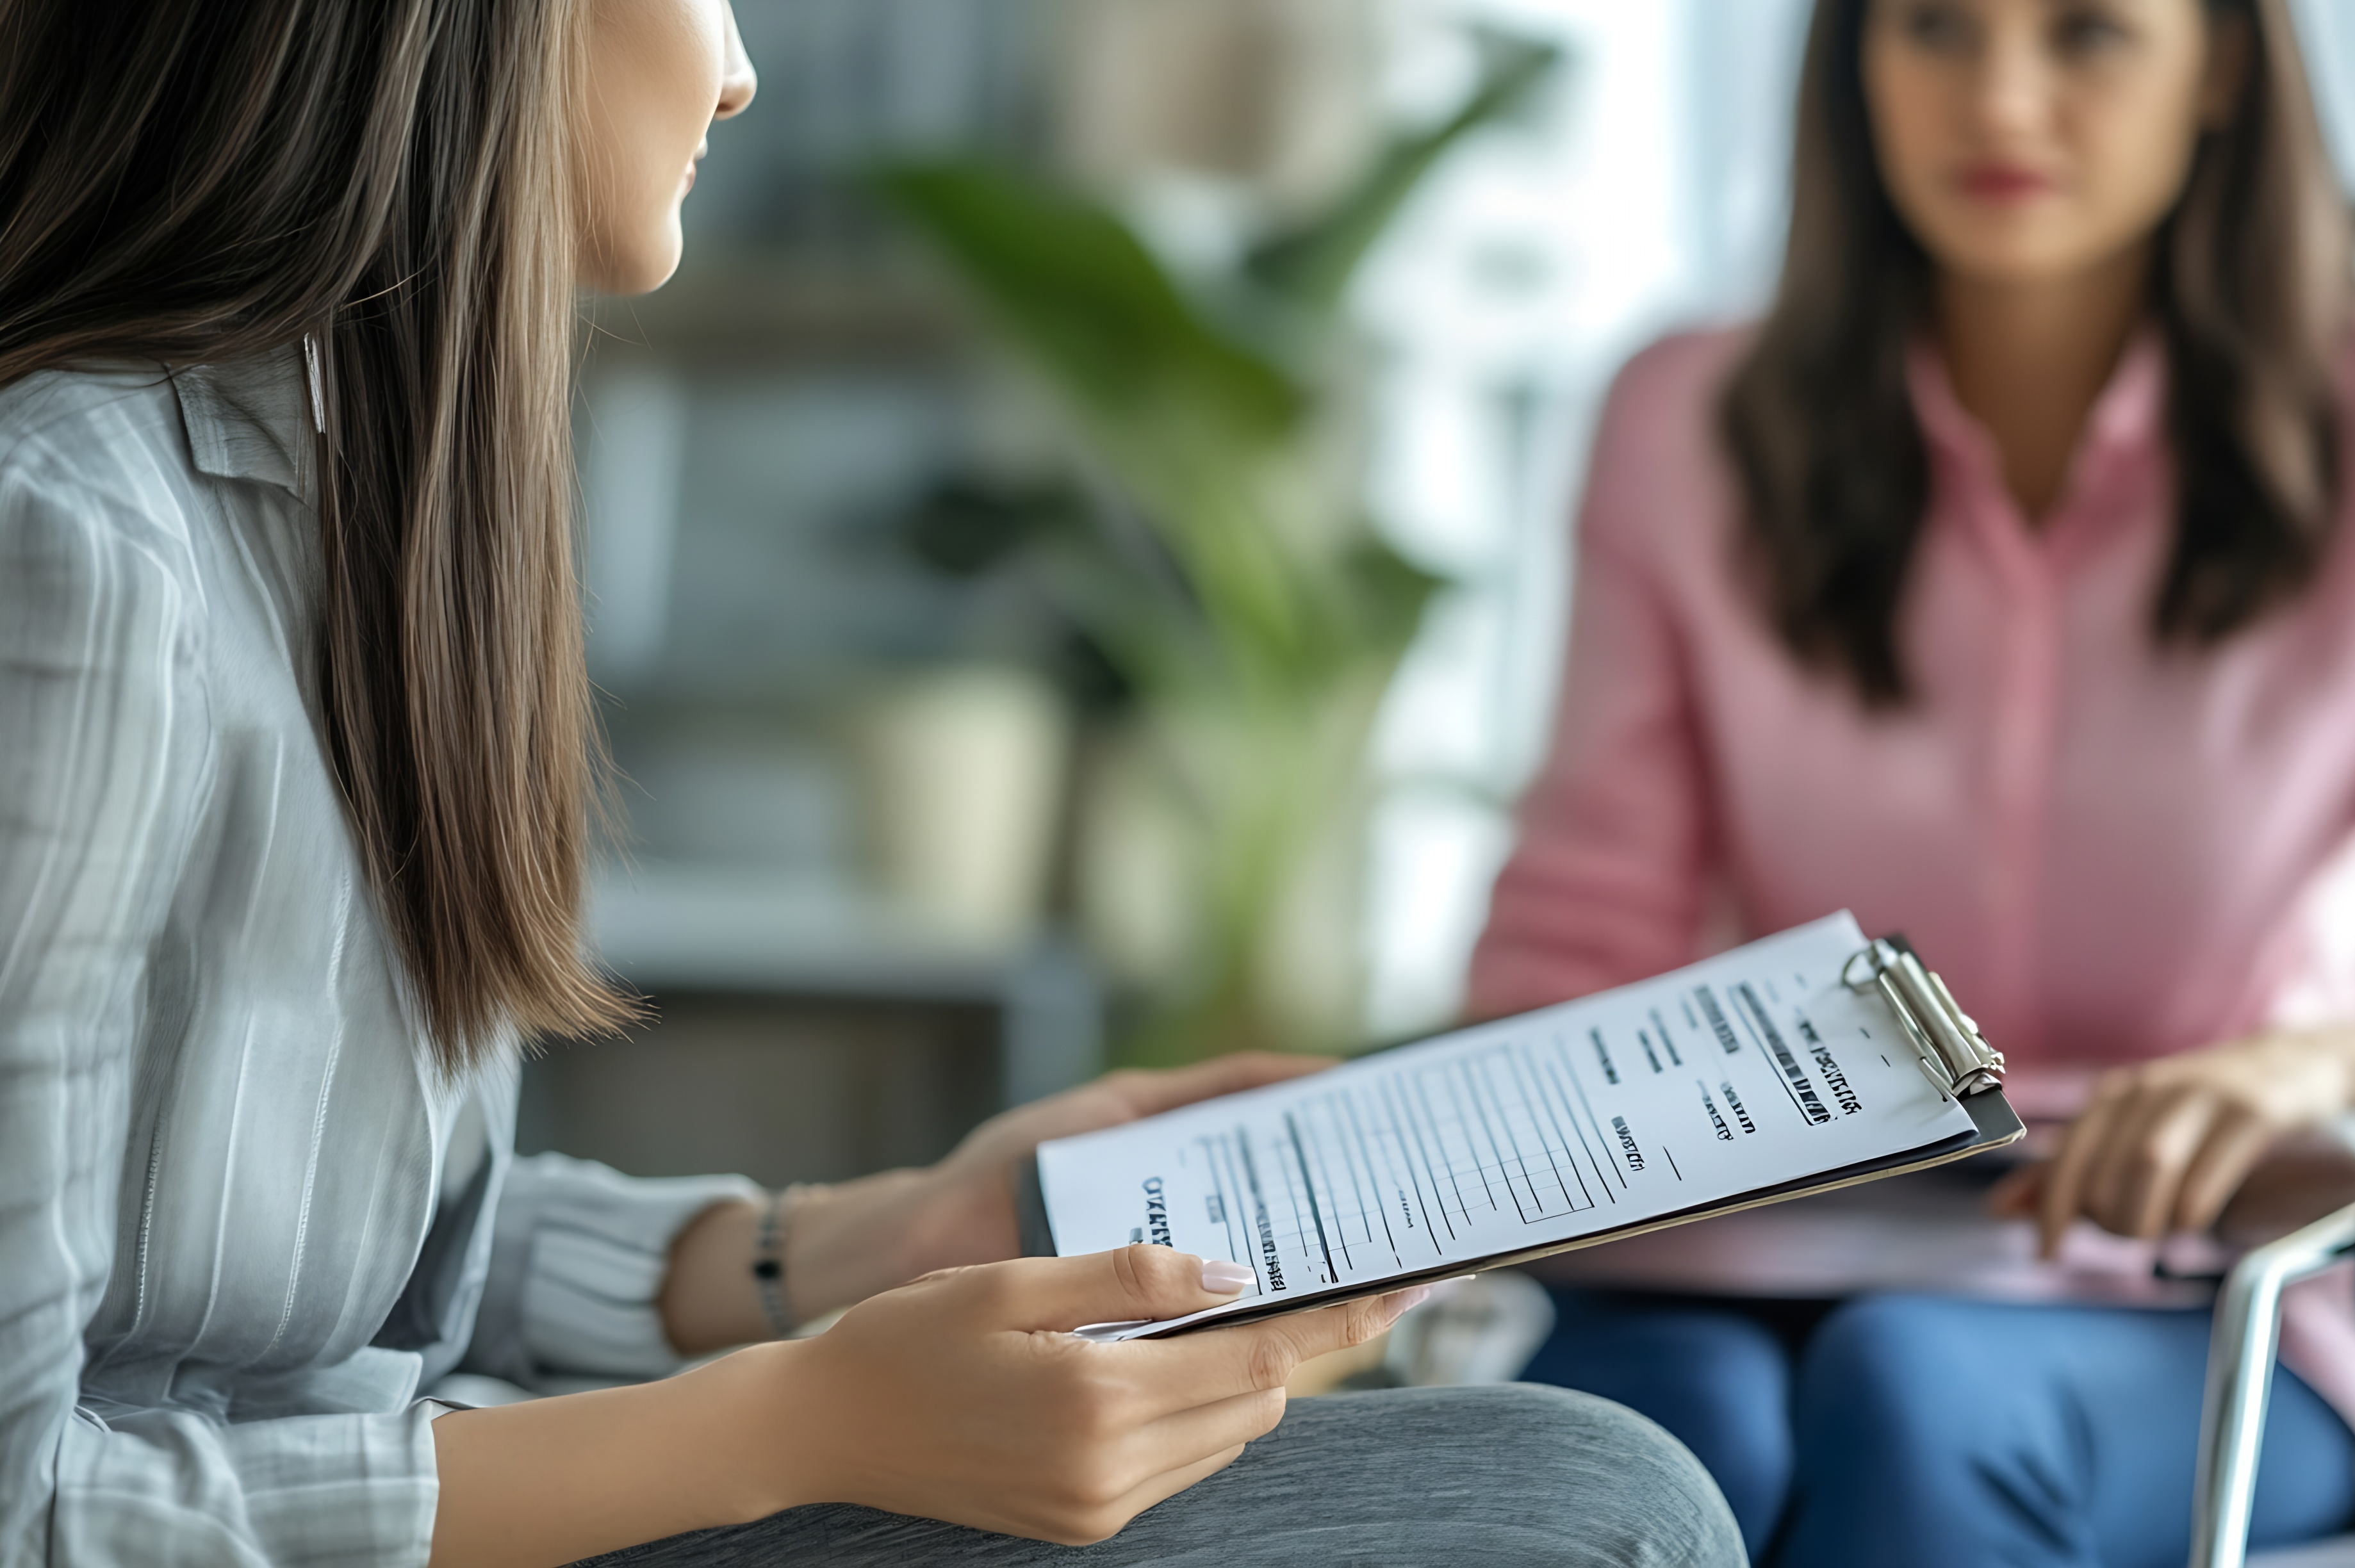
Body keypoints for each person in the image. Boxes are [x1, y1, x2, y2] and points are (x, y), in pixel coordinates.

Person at [0, 1, 1749, 1564]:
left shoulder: (344, 502)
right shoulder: (64, 552)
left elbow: (342, 1276)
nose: (745, 67)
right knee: (1592, 1505)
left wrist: (858, 1241)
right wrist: (787, 1423)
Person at [1468, 0, 2355, 1563]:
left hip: (2194, 1284)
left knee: (1921, 1406)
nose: (1998, 99)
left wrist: (2314, 1068)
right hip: (1732, 1262)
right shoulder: (1681, 423)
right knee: (1632, 1470)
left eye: (2086, 33)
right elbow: (1572, 944)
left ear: (2218, 57)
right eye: (1934, 26)